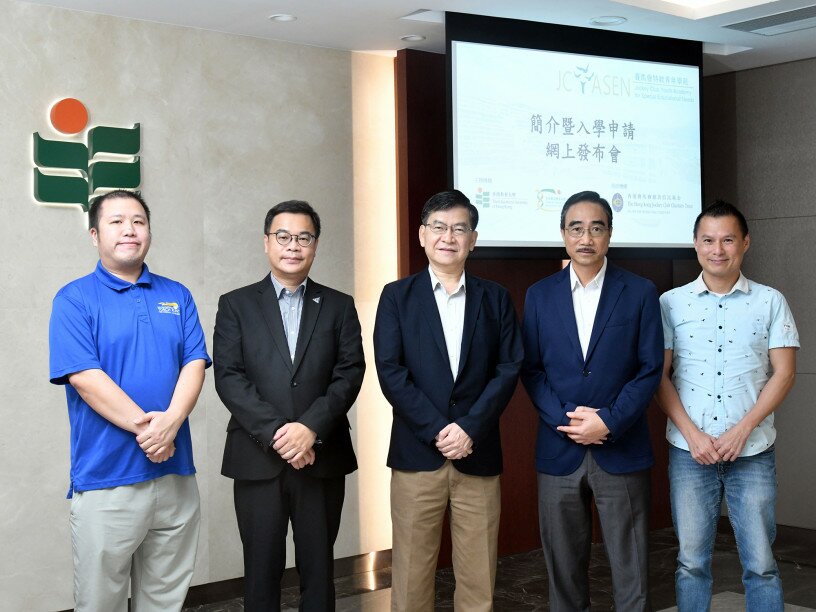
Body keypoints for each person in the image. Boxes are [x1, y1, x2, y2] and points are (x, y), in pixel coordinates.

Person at [49, 190, 210, 611]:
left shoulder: (178, 295)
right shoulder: (74, 299)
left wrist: (171, 423)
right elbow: (86, 378)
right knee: (100, 602)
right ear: (94, 234)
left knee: (165, 600)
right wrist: (154, 431)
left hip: (176, 473)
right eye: (116, 221)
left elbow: (195, 364)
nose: (129, 230)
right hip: (107, 479)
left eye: (138, 221)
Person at [374, 189, 523, 611]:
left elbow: (509, 367)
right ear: (422, 235)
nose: (448, 236)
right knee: (411, 574)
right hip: (417, 453)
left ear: (473, 239)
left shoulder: (495, 298)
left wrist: (469, 428)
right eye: (439, 227)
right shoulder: (396, 297)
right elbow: (391, 372)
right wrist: (440, 430)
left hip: (477, 453)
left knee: (479, 576)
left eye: (460, 228)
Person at [213, 200, 365, 611]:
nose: (293, 246)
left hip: (322, 456)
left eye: (304, 237)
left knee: (319, 571)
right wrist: (281, 434)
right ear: (267, 243)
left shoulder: (339, 305)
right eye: (283, 236)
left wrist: (309, 428)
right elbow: (229, 376)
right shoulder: (236, 305)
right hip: (257, 457)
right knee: (261, 572)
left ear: (315, 245)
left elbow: (349, 373)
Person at [521, 190, 663, 611]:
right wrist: (567, 421)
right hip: (558, 447)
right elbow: (530, 368)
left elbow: (649, 368)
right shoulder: (539, 294)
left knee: (631, 567)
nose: (586, 238)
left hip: (621, 446)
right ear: (563, 234)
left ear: (609, 234)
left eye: (596, 228)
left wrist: (609, 421)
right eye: (576, 228)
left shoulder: (639, 292)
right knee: (562, 570)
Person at [657, 200, 798, 612]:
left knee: (761, 564)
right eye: (708, 240)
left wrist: (742, 430)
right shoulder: (670, 303)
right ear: (695, 245)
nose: (718, 249)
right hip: (690, 453)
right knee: (691, 563)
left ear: (745, 243)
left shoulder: (770, 301)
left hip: (752, 452)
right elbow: (659, 377)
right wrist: (692, 434)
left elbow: (785, 374)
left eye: (728, 240)